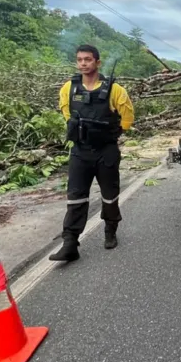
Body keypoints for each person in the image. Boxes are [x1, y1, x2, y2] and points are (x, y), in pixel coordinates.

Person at [49, 45, 135, 262]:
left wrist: (107, 134)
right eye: (79, 60)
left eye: (88, 59)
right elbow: (67, 114)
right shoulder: (69, 88)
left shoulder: (115, 90)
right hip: (80, 151)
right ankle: (70, 242)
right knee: (75, 198)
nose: (83, 63)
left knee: (110, 195)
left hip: (106, 151)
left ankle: (110, 230)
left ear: (97, 62)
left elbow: (127, 119)